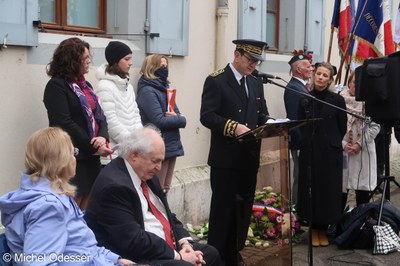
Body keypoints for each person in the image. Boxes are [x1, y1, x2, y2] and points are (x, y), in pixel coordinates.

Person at [85, 126, 220, 266]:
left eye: (161, 161)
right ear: (134, 155)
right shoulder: (114, 187)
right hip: (133, 256)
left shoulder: (146, 174)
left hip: (162, 244)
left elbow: (167, 215)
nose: (159, 168)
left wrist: (185, 244)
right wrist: (178, 256)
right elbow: (132, 239)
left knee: (210, 254)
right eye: (155, 161)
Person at [0, 127, 133, 266]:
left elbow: (80, 246)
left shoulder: (49, 196)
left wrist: (114, 259)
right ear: (62, 159)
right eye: (73, 152)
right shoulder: (48, 206)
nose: (74, 158)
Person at [200, 39, 270, 266]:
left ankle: (235, 253)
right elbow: (207, 116)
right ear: (237, 55)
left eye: (257, 61)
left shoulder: (256, 82)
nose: (253, 65)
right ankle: (217, 256)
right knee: (223, 211)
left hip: (248, 158)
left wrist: (273, 123)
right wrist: (233, 127)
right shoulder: (217, 80)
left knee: (243, 209)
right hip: (226, 159)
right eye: (250, 60)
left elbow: (261, 114)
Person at [43, 37, 113, 210]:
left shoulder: (86, 85)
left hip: (92, 157)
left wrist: (102, 137)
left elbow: (100, 116)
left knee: (88, 208)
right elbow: (63, 122)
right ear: (72, 60)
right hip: (73, 158)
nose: (89, 61)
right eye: (85, 58)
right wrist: (93, 144)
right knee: (73, 208)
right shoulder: (56, 86)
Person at [297, 62, 347, 247]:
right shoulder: (305, 99)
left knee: (328, 192)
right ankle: (313, 229)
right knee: (312, 191)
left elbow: (342, 126)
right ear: (313, 75)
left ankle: (323, 229)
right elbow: (300, 125)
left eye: (325, 75)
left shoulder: (337, 100)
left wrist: (331, 142)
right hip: (310, 152)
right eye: (318, 73)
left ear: (330, 80)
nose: (320, 78)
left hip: (330, 153)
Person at [136, 54, 186, 194]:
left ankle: (166, 216)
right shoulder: (147, 91)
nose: (165, 69)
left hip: (172, 144)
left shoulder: (164, 88)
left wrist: (178, 118)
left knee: (166, 188)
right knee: (157, 190)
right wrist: (180, 119)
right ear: (152, 68)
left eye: (166, 66)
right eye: (161, 66)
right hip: (159, 145)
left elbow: (176, 112)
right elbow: (159, 120)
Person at [95, 41, 142, 165]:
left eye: (131, 58)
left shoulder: (129, 86)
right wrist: (132, 142)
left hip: (132, 150)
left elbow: (135, 114)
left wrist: (140, 138)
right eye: (126, 59)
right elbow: (109, 121)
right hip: (115, 154)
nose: (130, 63)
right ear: (115, 61)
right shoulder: (104, 86)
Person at [340, 71, 380, 208]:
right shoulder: (339, 101)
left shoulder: (370, 103)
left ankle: (361, 223)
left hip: (362, 152)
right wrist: (344, 144)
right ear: (349, 83)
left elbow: (375, 127)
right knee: (341, 192)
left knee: (362, 195)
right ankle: (338, 225)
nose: (356, 86)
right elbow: (333, 127)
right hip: (343, 152)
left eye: (360, 83)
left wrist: (359, 144)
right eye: (354, 82)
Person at [284, 51, 314, 205]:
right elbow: (294, 119)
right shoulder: (293, 88)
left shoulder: (303, 86)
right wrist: (300, 143)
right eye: (308, 66)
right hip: (300, 142)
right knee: (300, 177)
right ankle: (296, 208)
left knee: (306, 176)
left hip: (307, 141)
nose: (312, 69)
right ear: (298, 70)